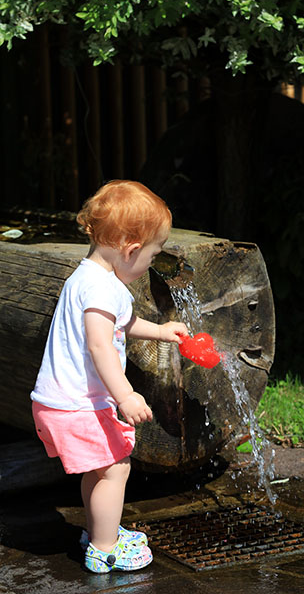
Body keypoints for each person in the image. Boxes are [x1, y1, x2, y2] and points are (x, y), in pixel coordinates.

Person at [30, 180, 188, 573]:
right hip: (78, 406)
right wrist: (126, 394)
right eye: (152, 256)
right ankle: (105, 547)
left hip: (59, 402)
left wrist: (161, 330)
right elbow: (100, 346)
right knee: (116, 468)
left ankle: (100, 530)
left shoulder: (87, 278)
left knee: (100, 469)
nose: (152, 262)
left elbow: (123, 322)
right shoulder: (103, 289)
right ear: (131, 250)